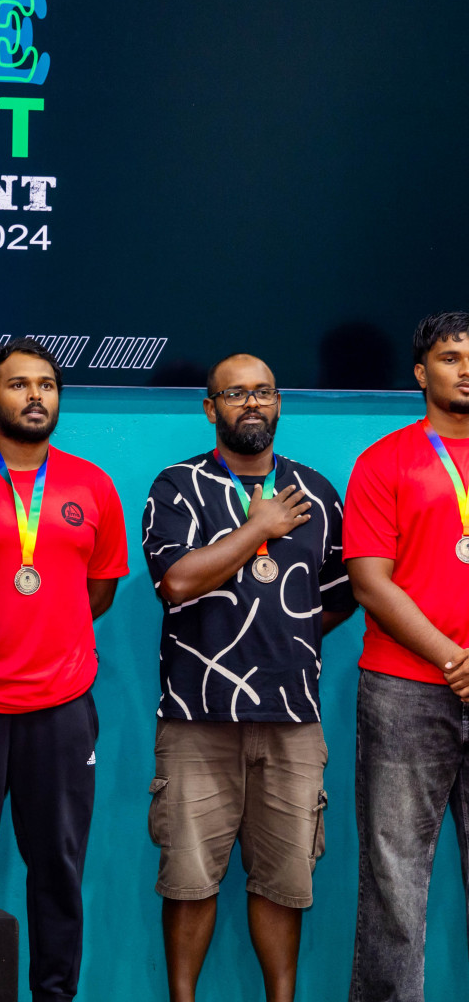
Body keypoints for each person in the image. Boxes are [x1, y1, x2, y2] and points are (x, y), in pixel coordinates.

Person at [141, 353, 353, 1002]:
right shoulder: (177, 487)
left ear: (280, 402)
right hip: (195, 718)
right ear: (211, 409)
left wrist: (285, 642)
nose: (252, 403)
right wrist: (257, 528)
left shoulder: (315, 492)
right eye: (236, 394)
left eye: (263, 392)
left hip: (292, 720)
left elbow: (340, 595)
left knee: (285, 882)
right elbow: (175, 583)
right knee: (189, 878)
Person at [0, 338, 127, 1002]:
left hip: (62, 706)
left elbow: (99, 592)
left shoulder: (92, 483)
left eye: (46, 384)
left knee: (59, 871)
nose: (35, 396)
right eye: (18, 385)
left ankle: (54, 995)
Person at [346, 312, 469, 1002]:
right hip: (403, 691)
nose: (467, 368)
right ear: (422, 374)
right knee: (395, 882)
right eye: (452, 356)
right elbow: (370, 581)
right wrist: (457, 658)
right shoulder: (384, 460)